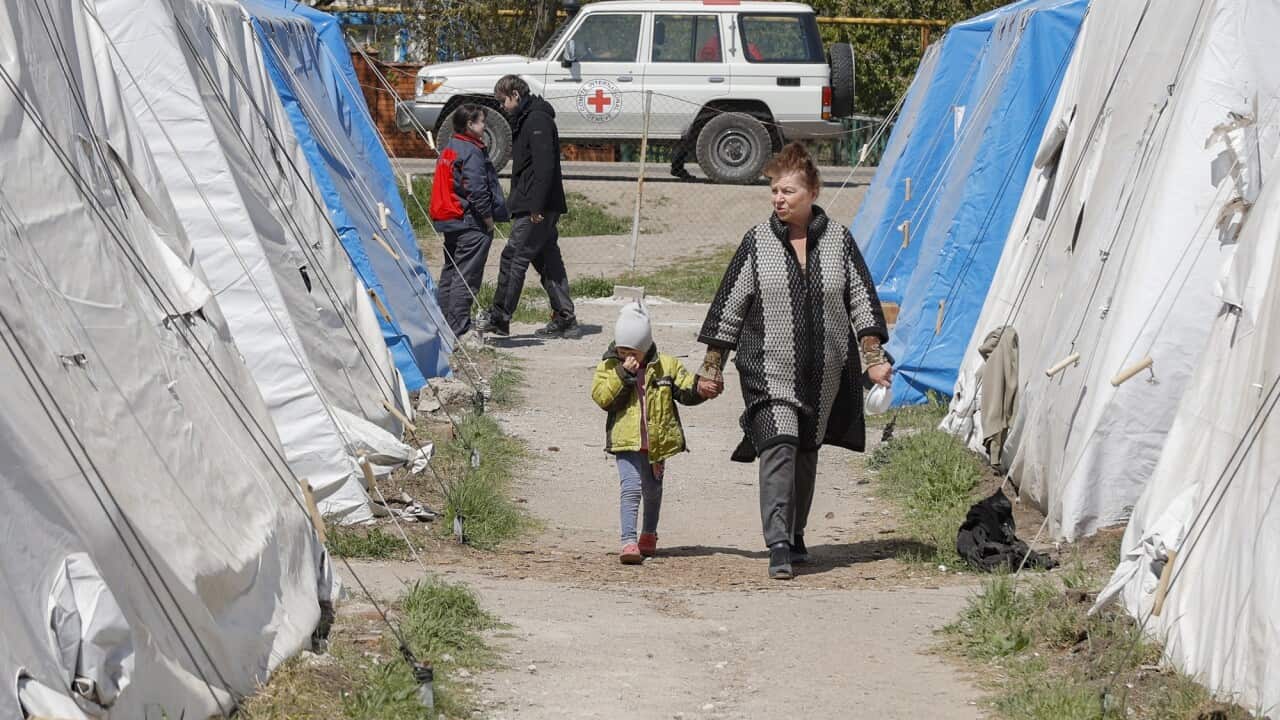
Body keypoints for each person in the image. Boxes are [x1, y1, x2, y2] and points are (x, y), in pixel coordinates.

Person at [696, 142, 893, 580]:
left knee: (806, 451)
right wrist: (711, 367)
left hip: (824, 374)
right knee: (780, 443)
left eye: (788, 191)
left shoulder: (840, 240)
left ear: (813, 191)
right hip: (768, 371)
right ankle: (778, 543)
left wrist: (873, 358)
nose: (779, 199)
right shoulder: (757, 242)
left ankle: (797, 531)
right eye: (774, 191)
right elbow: (729, 305)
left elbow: (861, 299)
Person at [591, 302, 707, 564]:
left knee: (652, 491)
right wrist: (623, 374)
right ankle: (628, 541)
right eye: (621, 350)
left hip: (657, 442)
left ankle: (649, 534)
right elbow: (601, 397)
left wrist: (702, 389)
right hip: (625, 441)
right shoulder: (610, 366)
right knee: (630, 488)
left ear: (644, 347)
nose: (625, 355)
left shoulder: (666, 365)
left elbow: (686, 389)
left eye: (631, 351)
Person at [477, 75, 577, 338]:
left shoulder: (537, 120)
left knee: (514, 256)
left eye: (503, 101)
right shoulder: (528, 119)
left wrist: (536, 206)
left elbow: (545, 167)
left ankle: (500, 316)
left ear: (515, 95)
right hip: (535, 202)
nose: (501, 106)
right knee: (546, 259)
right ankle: (565, 316)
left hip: (537, 206)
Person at [429, 104, 508, 340]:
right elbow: (476, 188)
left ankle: (445, 321)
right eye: (481, 122)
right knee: (466, 275)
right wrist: (488, 219)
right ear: (469, 125)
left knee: (451, 272)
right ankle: (458, 327)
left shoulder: (451, 147)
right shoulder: (471, 151)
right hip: (469, 221)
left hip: (451, 219)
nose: (484, 126)